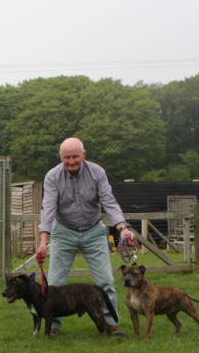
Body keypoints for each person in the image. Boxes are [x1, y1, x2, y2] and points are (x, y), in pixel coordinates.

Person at [36, 137, 136, 337]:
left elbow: (109, 201)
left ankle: (111, 324)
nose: (71, 161)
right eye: (67, 157)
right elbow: (48, 208)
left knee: (106, 280)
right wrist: (43, 240)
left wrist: (123, 228)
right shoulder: (52, 177)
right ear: (60, 157)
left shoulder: (97, 172)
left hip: (93, 231)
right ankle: (54, 326)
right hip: (63, 231)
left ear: (84, 154)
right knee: (55, 282)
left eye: (75, 156)